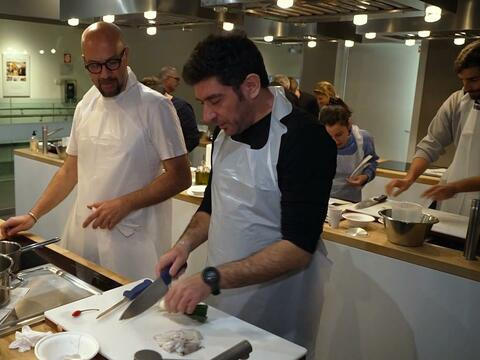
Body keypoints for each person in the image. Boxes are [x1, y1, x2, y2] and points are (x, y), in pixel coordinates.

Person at [155, 32, 336, 349]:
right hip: (223, 301)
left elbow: (298, 248)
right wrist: (183, 246)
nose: (207, 116)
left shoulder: (304, 139)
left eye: (215, 100)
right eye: (202, 103)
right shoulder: (224, 131)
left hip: (278, 312)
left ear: (251, 86)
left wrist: (210, 278)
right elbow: (213, 205)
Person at [1, 22, 191, 280]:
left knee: (130, 312)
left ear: (126, 55)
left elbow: (180, 176)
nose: (104, 75)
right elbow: (70, 169)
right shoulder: (86, 105)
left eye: (111, 63)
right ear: (84, 62)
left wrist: (125, 203)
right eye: (94, 66)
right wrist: (33, 215)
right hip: (84, 236)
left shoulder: (155, 106)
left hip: (134, 243)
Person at [386, 39, 480, 216]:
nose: (466, 88)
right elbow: (431, 143)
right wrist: (409, 178)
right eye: (463, 80)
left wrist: (457, 187)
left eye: (473, 79)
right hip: (454, 196)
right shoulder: (457, 101)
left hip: (456, 189)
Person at [319, 97, 378, 202]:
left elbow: (372, 162)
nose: (335, 141)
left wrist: (365, 176)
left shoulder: (363, 140)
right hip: (321, 200)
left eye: (339, 135)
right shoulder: (315, 142)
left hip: (351, 202)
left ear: (349, 126)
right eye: (329, 136)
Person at [159, 66, 200, 152]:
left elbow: (193, 139)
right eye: (176, 79)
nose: (178, 83)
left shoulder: (182, 107)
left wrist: (177, 156)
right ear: (166, 78)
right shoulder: (150, 105)